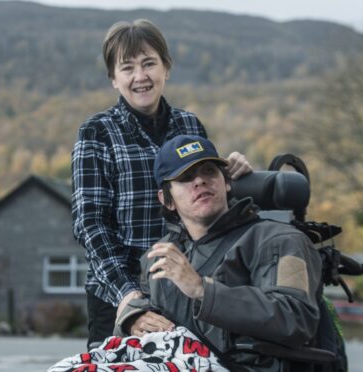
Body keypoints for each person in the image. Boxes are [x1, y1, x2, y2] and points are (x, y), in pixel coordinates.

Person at [71, 19, 253, 349]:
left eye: (149, 63)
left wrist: (229, 171)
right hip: (118, 291)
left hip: (184, 286)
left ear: (166, 68)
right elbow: (90, 225)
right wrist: (129, 297)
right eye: (127, 68)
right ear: (114, 78)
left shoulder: (189, 125)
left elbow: (204, 202)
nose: (140, 76)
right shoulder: (97, 133)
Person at [113, 134, 323, 370]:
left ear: (227, 183)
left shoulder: (279, 239)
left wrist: (203, 290)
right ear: (166, 199)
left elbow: (295, 319)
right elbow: (142, 307)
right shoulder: (160, 255)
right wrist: (133, 320)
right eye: (186, 178)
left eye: (209, 171)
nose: (200, 181)